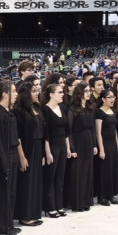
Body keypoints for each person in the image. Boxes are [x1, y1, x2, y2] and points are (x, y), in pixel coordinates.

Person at [0, 81, 20, 235]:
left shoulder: (8, 111)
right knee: (4, 193)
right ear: (5, 93)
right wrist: (3, 161)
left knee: (12, 192)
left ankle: (9, 224)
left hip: (13, 154)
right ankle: (2, 226)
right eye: (13, 91)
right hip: (4, 156)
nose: (16, 94)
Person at [14, 82, 45, 226]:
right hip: (27, 149)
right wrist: (22, 156)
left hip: (38, 148)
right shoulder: (19, 111)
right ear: (26, 94)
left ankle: (33, 212)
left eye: (37, 90)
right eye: (33, 91)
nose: (37, 93)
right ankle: (25, 215)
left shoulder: (37, 108)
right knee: (26, 183)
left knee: (36, 183)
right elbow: (17, 136)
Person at [65, 83, 97, 212]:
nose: (88, 93)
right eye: (86, 91)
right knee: (78, 173)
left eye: (89, 90)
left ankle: (85, 201)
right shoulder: (72, 109)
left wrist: (95, 144)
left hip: (89, 141)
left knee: (87, 172)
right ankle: (77, 202)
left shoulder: (91, 107)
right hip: (78, 142)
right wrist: (72, 148)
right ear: (79, 93)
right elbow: (69, 131)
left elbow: (93, 128)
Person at [42, 83, 71, 217]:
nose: (62, 94)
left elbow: (66, 131)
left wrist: (68, 148)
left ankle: (59, 205)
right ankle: (49, 206)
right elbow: (45, 133)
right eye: (59, 92)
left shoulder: (63, 107)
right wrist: (47, 152)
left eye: (62, 92)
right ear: (51, 94)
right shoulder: (45, 110)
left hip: (62, 146)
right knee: (50, 177)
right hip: (52, 146)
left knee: (60, 177)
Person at [96, 89, 118, 205]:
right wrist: (101, 149)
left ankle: (111, 195)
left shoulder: (113, 111)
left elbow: (115, 130)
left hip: (112, 143)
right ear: (103, 99)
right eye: (109, 97)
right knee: (104, 170)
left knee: (113, 169)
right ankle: (102, 196)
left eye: (113, 97)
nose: (112, 99)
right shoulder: (99, 112)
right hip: (104, 142)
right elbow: (98, 132)